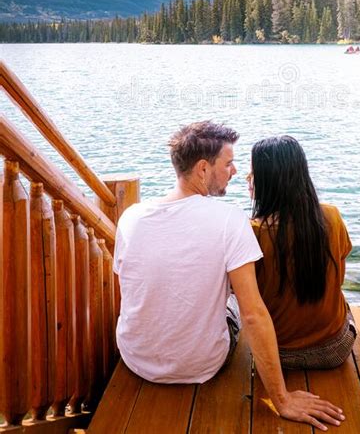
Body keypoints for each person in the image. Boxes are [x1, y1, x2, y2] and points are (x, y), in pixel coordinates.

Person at [114, 121, 344, 429]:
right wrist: (282, 400)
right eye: (229, 163)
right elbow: (252, 314)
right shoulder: (229, 220)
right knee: (236, 300)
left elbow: (130, 285)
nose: (235, 171)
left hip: (135, 358)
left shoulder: (130, 216)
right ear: (203, 169)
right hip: (203, 365)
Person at [248, 135, 355, 369]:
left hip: (279, 355)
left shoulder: (253, 232)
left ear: (269, 180)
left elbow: (248, 300)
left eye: (253, 172)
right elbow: (339, 278)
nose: (248, 178)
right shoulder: (332, 216)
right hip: (336, 349)